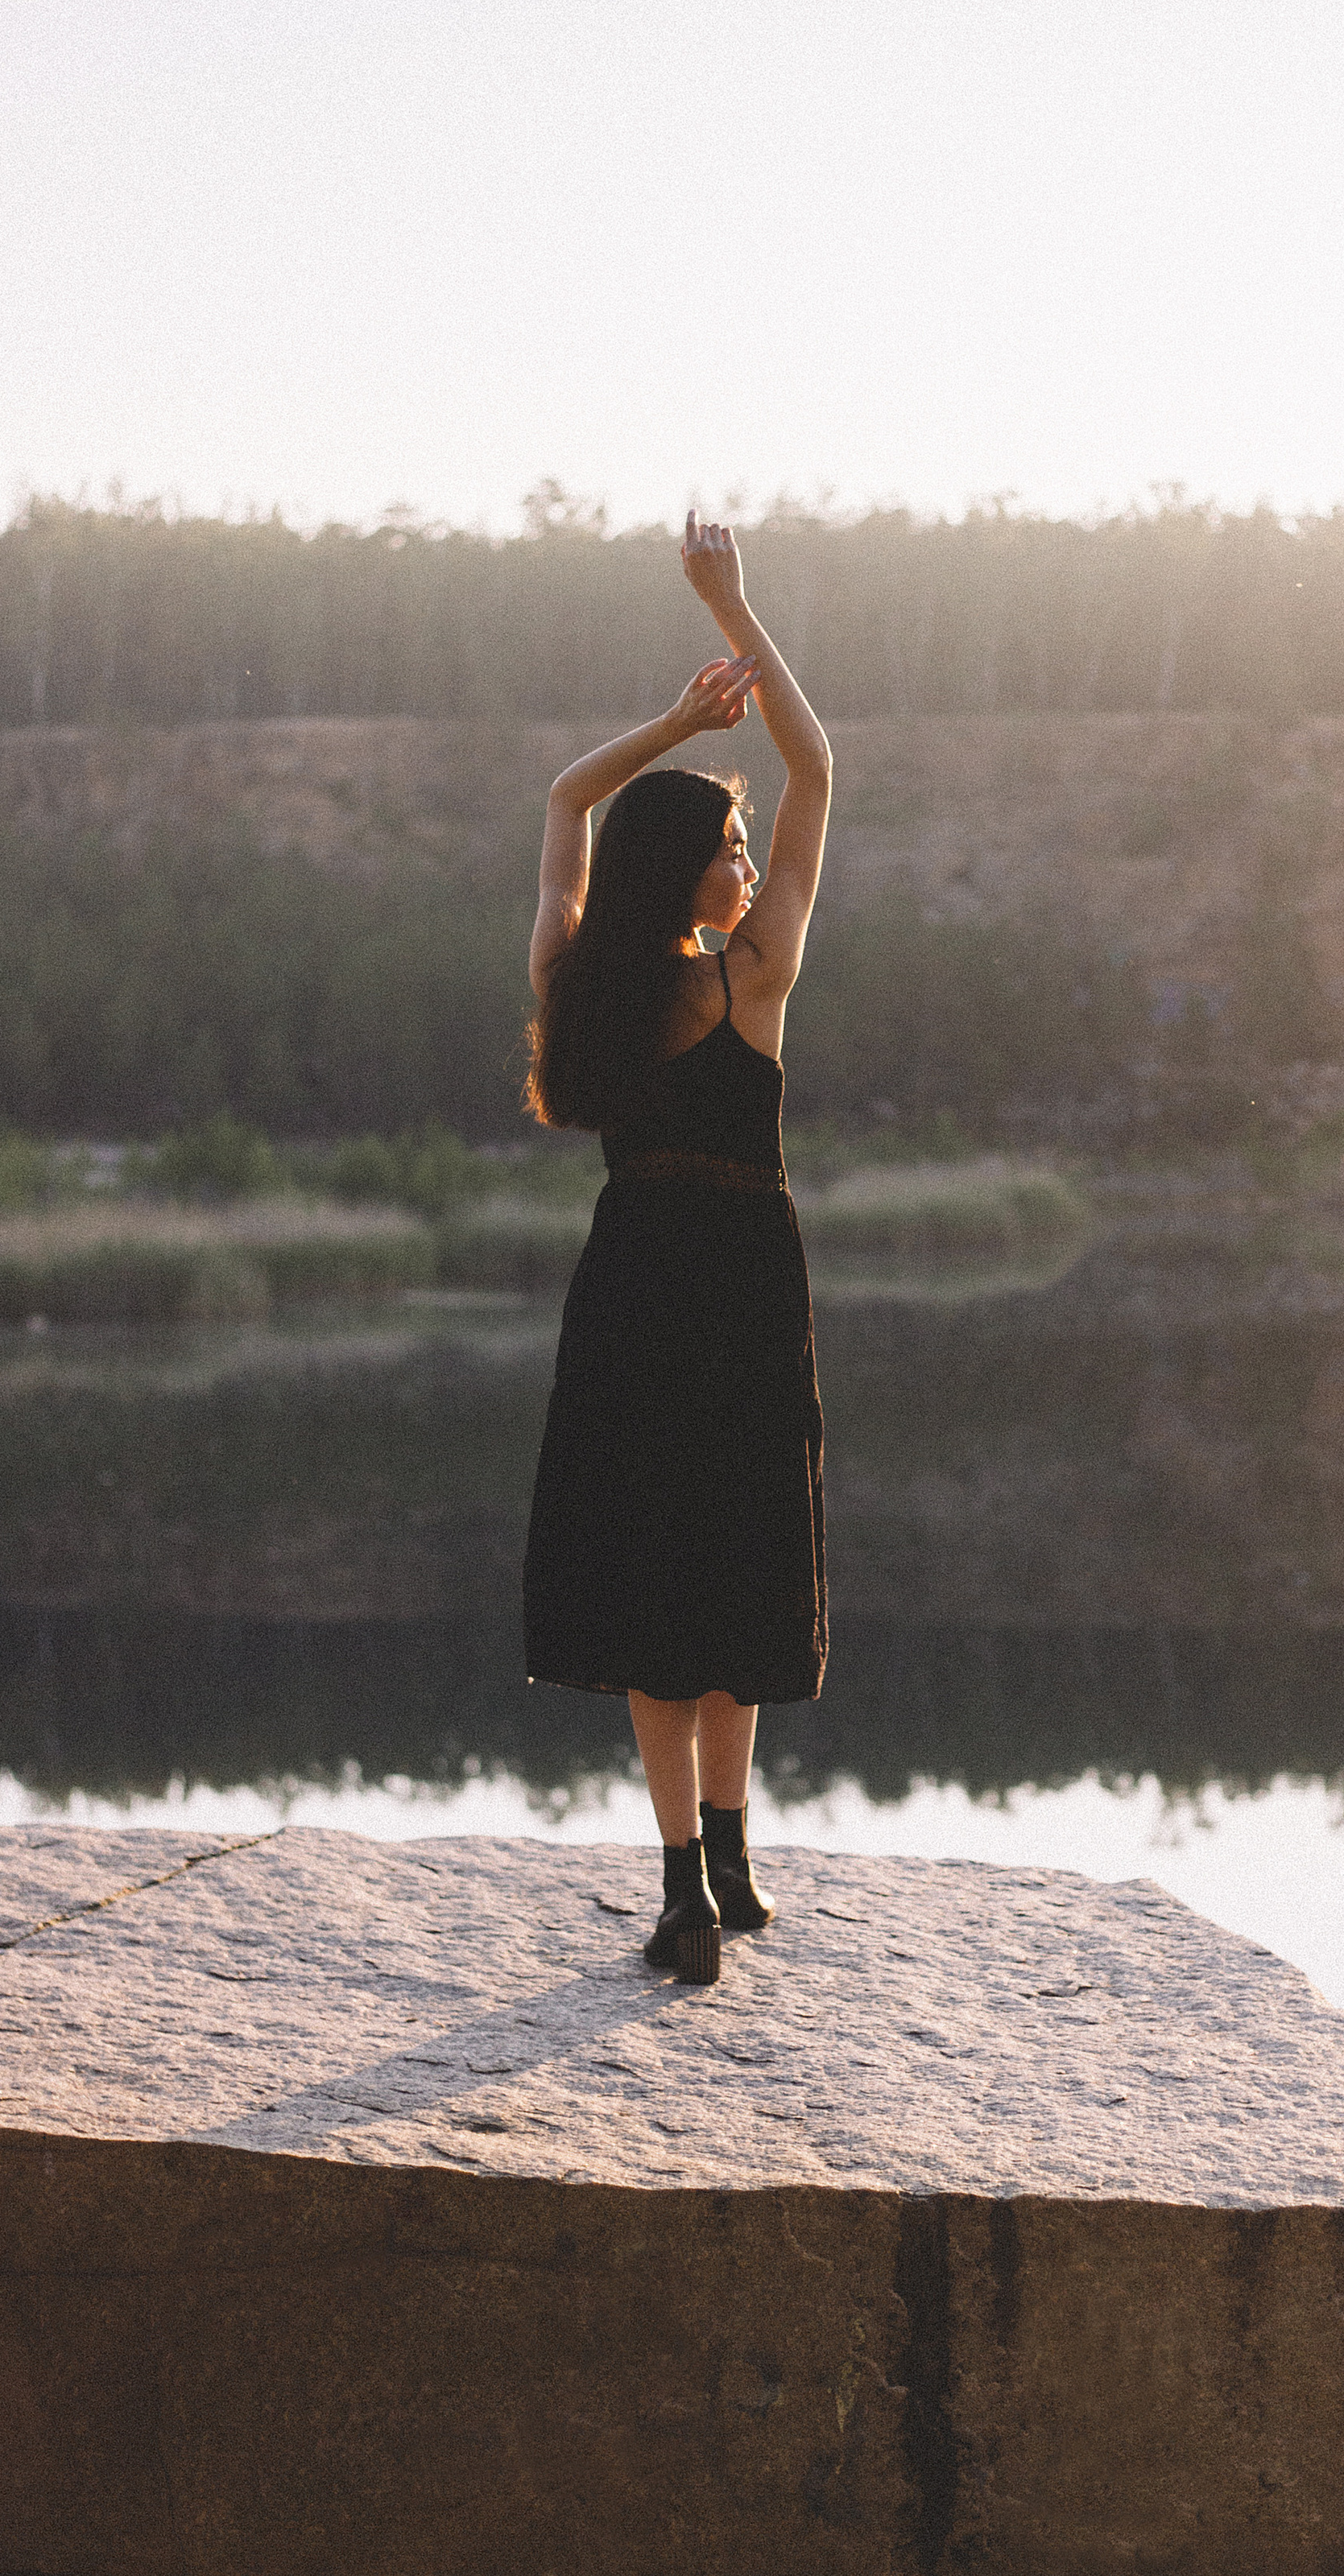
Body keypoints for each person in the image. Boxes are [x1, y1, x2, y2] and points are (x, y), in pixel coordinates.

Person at [521, 512, 832, 1986]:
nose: (752, 851)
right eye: (731, 843)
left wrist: (682, 709)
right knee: (714, 1576)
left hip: (644, 1287)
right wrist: (733, 620)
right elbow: (815, 768)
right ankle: (704, 1877)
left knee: (679, 1582)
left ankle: (699, 1878)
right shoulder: (749, 981)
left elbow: (572, 805)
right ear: (693, 874)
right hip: (732, 1286)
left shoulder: (586, 982)